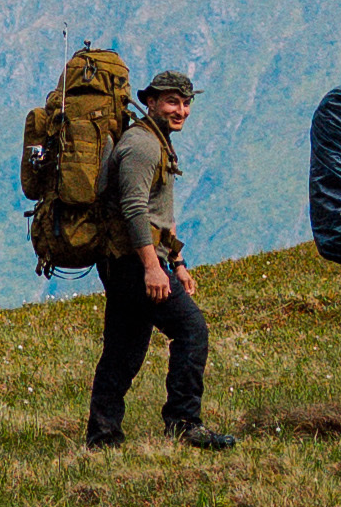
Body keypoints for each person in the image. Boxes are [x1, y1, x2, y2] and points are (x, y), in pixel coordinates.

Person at [84, 66, 234, 451]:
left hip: (129, 261)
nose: (180, 110)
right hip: (134, 263)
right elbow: (134, 209)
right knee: (191, 329)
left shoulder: (156, 140)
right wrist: (153, 267)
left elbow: (156, 213)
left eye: (186, 103)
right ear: (150, 102)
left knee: (124, 348)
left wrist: (177, 263)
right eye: (172, 102)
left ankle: (103, 436)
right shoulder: (142, 146)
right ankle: (184, 423)